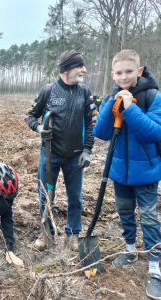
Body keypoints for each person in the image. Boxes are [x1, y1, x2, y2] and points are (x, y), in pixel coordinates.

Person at [93, 49, 161, 299]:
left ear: (139, 72)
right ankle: (130, 249)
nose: (124, 77)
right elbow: (100, 133)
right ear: (113, 74)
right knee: (124, 212)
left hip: (146, 173)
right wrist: (111, 106)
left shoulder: (153, 97)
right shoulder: (111, 98)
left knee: (150, 217)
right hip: (119, 172)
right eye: (119, 73)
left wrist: (131, 109)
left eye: (129, 72)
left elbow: (154, 133)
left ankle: (155, 267)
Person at [25, 50, 94, 251]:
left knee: (75, 197)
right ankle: (46, 233)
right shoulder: (48, 91)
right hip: (49, 154)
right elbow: (30, 116)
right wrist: (39, 128)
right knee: (46, 195)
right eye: (80, 66)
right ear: (66, 69)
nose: (84, 69)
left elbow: (90, 123)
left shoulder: (85, 92)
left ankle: (73, 234)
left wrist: (87, 150)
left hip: (75, 156)